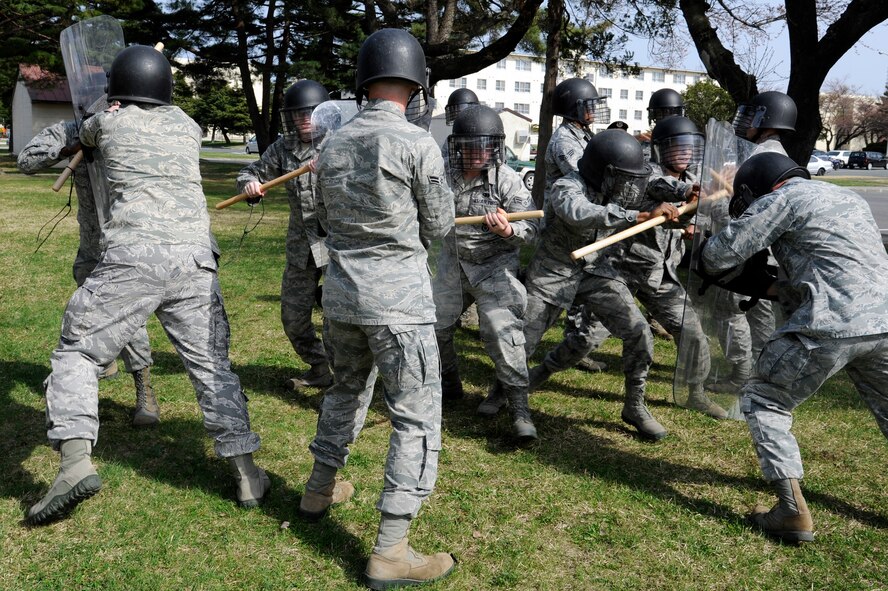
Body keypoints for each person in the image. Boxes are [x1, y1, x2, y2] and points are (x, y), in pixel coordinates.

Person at [26, 45, 268, 526]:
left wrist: (100, 115)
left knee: (78, 351)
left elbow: (79, 135)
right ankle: (246, 473)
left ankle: (74, 465)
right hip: (196, 259)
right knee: (211, 365)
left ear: (116, 92)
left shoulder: (105, 123)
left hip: (133, 259)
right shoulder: (188, 124)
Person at [297, 29, 456, 589]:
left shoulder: (330, 145)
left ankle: (318, 490)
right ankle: (391, 550)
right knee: (415, 414)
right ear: (414, 83)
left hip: (341, 297)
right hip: (398, 306)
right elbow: (437, 225)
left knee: (345, 390)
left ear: (363, 80)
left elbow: (319, 215)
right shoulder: (417, 143)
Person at [700, 151, 888, 544]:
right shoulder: (845, 197)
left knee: (764, 398)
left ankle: (791, 512)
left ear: (757, 189)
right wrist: (770, 286)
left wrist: (701, 253)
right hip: (883, 322)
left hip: (830, 324)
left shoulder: (779, 199)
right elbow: (833, 271)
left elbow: (719, 256)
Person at [527, 116, 727, 421]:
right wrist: (672, 198)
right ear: (660, 149)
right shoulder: (630, 172)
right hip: (620, 268)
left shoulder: (682, 178)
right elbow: (656, 185)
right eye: (676, 148)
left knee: (692, 334)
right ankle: (541, 372)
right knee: (584, 339)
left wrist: (690, 205)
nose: (684, 154)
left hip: (660, 275)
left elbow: (681, 210)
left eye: (689, 148)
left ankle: (690, 394)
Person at [516, 130, 681, 440]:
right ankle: (514, 402)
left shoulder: (619, 184)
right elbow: (579, 213)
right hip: (553, 272)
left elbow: (653, 184)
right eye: (623, 178)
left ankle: (634, 405)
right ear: (605, 173)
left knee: (638, 331)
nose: (629, 186)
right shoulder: (567, 186)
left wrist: (686, 191)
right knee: (523, 341)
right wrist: (636, 215)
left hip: (595, 270)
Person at [18, 122, 160, 427]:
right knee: (86, 308)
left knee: (127, 313)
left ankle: (144, 387)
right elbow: (26, 161)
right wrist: (68, 150)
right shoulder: (71, 130)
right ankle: (103, 360)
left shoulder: (130, 128)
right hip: (90, 247)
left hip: (126, 242)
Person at [434, 105, 540, 440]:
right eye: (473, 145)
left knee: (501, 329)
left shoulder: (507, 181)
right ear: (459, 145)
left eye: (488, 145)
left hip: (495, 266)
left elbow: (533, 229)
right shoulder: (442, 173)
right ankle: (449, 386)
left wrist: (509, 232)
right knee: (434, 325)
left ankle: (519, 408)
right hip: (453, 262)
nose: (481, 152)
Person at [237, 79, 333, 391]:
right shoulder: (284, 148)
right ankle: (321, 367)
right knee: (293, 318)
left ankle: (345, 378)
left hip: (338, 248)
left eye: (310, 114)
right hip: (301, 248)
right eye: (297, 115)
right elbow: (250, 172)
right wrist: (249, 185)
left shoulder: (341, 143)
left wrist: (333, 169)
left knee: (338, 321)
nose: (303, 121)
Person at [706, 91, 797, 393]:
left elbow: (740, 207)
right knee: (760, 312)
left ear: (764, 120)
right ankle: (762, 373)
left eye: (750, 117)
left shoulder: (759, 157)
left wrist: (710, 208)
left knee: (731, 309)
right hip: (768, 250)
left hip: (747, 246)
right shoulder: (775, 154)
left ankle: (741, 374)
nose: (744, 123)